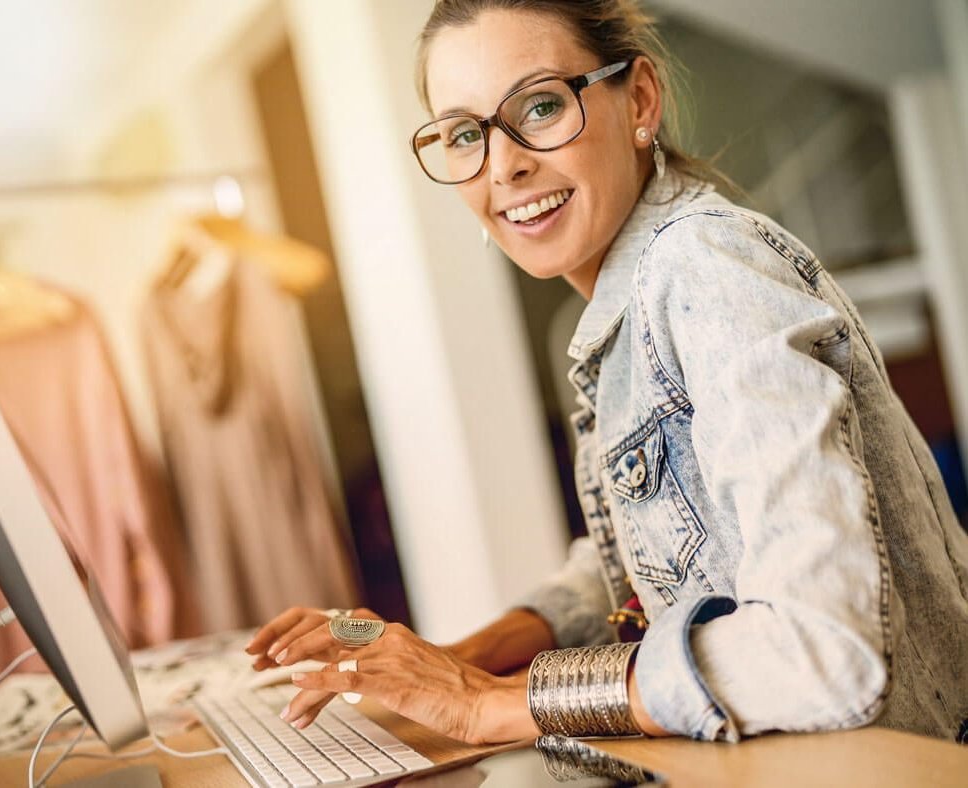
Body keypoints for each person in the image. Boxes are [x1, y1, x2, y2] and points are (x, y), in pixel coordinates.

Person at [246, 0, 968, 745]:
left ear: (641, 102)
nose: (504, 164)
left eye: (541, 106)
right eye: (465, 134)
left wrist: (491, 703)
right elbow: (644, 554)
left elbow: (826, 651)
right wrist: (444, 660)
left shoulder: (704, 271)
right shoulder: (628, 305)